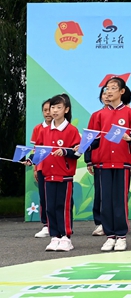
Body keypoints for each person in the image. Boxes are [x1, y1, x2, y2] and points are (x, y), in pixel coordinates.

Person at [89, 77, 131, 252]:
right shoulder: (99, 115)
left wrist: (130, 138)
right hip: (103, 164)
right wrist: (83, 146)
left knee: (119, 200)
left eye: (113, 88)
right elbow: (93, 140)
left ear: (122, 91)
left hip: (122, 163)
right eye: (107, 89)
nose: (109, 92)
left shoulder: (130, 113)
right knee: (106, 201)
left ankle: (121, 236)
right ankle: (110, 236)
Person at [33, 94, 81, 252]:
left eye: (58, 107)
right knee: (50, 207)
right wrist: (31, 160)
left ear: (66, 110)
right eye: (52, 107)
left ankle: (66, 237)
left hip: (64, 176)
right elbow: (39, 151)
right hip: (48, 175)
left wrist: (66, 151)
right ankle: (55, 236)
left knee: (63, 206)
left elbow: (78, 152)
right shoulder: (44, 131)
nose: (54, 110)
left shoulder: (72, 130)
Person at [85, 85, 110, 237]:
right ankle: (100, 222)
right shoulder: (96, 115)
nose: (107, 96)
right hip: (99, 160)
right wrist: (88, 160)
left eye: (110, 92)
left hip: (117, 160)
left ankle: (114, 222)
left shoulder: (124, 113)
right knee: (100, 192)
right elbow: (89, 138)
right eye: (104, 93)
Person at [31, 99, 52, 239]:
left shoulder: (62, 128)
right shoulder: (38, 129)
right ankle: (46, 225)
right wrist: (35, 168)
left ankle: (59, 224)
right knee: (44, 196)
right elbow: (35, 150)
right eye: (45, 110)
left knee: (56, 198)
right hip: (42, 167)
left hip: (57, 168)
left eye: (50, 109)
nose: (48, 113)